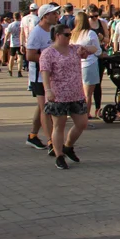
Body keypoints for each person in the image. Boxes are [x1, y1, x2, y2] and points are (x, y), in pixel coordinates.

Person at [40, 22, 90, 169]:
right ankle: (59, 155)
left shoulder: (74, 49)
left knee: (82, 123)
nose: (69, 37)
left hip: (76, 93)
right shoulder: (48, 53)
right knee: (58, 126)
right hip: (59, 94)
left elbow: (95, 49)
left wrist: (85, 49)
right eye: (67, 35)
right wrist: (48, 90)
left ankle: (68, 146)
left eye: (70, 35)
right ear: (57, 35)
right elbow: (45, 73)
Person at [25, 3, 61, 151]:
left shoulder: (52, 31)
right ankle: (51, 141)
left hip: (51, 75)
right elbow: (30, 55)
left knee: (41, 107)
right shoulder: (36, 33)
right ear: (45, 16)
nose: (56, 16)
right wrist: (47, 60)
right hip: (38, 76)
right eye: (53, 14)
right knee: (46, 109)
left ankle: (33, 135)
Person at [72, 12, 101, 120]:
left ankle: (77, 114)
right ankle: (85, 116)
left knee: (78, 92)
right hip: (89, 63)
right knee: (87, 94)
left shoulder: (72, 34)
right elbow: (98, 50)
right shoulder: (90, 33)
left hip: (76, 65)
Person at [87, 6, 110, 116]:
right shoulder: (85, 24)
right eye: (92, 16)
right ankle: (86, 109)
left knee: (97, 83)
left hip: (100, 54)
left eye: (96, 16)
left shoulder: (102, 23)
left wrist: (101, 38)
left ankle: (97, 108)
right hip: (88, 55)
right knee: (86, 85)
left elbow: (107, 39)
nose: (94, 18)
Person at [5, 12, 22, 76]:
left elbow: (7, 34)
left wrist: (5, 42)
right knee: (20, 57)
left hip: (13, 43)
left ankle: (10, 70)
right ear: (19, 17)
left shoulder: (11, 25)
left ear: (14, 17)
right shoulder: (21, 24)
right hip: (20, 43)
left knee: (12, 56)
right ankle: (19, 71)